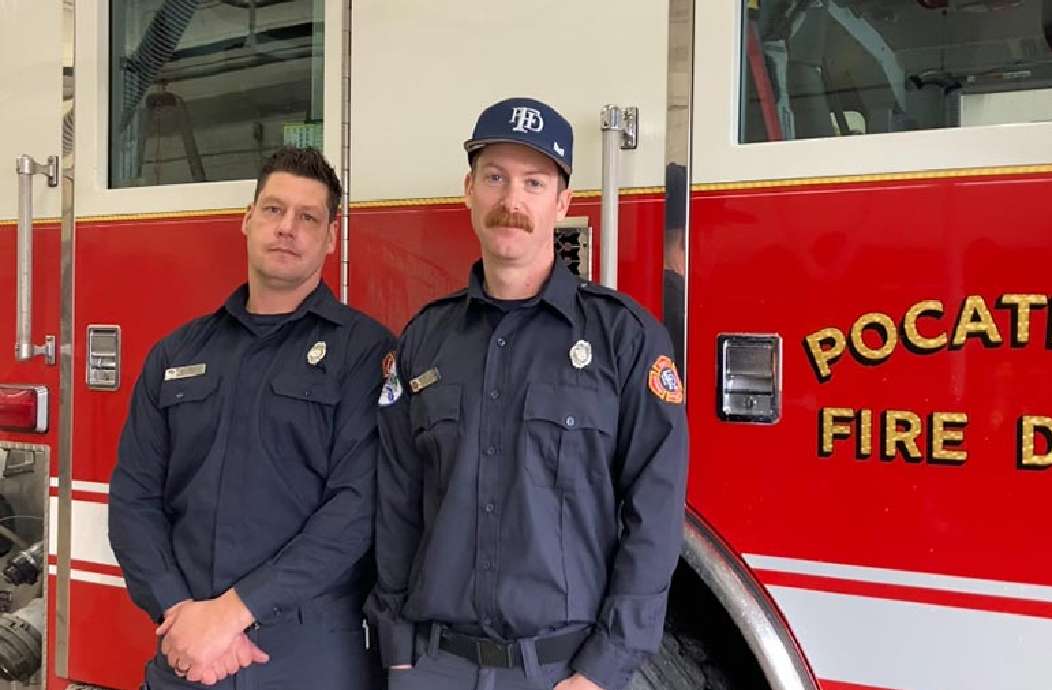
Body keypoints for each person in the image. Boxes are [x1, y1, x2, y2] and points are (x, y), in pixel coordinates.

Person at [365, 97, 690, 690]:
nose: (511, 202)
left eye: (533, 182)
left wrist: (604, 668)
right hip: (435, 667)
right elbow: (394, 505)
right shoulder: (424, 341)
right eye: (495, 178)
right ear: (469, 191)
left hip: (565, 673)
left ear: (562, 202)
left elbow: (656, 514)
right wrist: (399, 654)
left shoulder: (626, 338)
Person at [109, 147, 392, 689]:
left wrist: (233, 613)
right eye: (273, 210)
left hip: (308, 658)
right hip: (186, 654)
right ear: (247, 219)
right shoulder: (176, 353)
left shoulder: (364, 352)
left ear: (331, 238)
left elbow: (357, 508)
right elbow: (133, 499)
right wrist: (180, 612)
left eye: (308, 217)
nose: (288, 228)